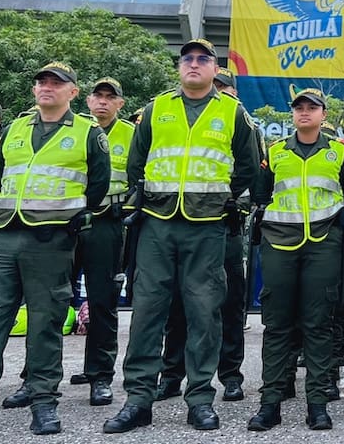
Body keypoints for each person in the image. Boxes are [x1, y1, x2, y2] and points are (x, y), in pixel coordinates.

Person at [0, 62, 110, 437]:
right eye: (41, 82)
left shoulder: (87, 133)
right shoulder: (15, 127)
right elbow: (3, 177)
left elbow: (98, 186)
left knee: (45, 325)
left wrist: (69, 221)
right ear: (34, 90)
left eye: (56, 83)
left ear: (72, 92)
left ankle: (43, 403)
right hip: (3, 237)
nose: (46, 87)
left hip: (50, 241)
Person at [103, 39, 260, 433]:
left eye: (202, 59)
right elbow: (138, 161)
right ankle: (138, 399)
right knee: (147, 313)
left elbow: (248, 167)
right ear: (179, 67)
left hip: (206, 226)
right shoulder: (157, 108)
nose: (194, 64)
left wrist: (222, 200)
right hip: (157, 221)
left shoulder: (233, 113)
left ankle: (201, 399)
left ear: (213, 68)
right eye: (187, 59)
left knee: (204, 314)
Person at [247, 87, 344, 432]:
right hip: (280, 243)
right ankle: (270, 404)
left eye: (312, 108)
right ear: (293, 114)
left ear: (323, 115)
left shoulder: (340, 153)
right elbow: (261, 193)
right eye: (299, 108)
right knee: (278, 324)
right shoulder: (276, 151)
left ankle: (317, 405)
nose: (305, 113)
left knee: (318, 324)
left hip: (324, 244)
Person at [157, 67, 252, 404]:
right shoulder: (182, 117)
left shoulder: (242, 123)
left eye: (226, 87)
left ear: (234, 93)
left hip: (223, 226)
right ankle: (171, 374)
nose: (220, 92)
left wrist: (229, 202)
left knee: (227, 305)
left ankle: (230, 375)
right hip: (184, 222)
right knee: (179, 305)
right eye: (218, 86)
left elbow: (252, 172)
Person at [66, 78, 136, 407]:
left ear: (120, 104)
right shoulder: (73, 129)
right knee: (51, 302)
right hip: (65, 223)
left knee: (102, 302)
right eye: (98, 96)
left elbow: (142, 176)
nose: (103, 102)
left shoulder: (133, 135)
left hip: (107, 223)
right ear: (88, 100)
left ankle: (100, 376)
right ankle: (39, 376)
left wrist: (130, 210)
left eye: (111, 97)